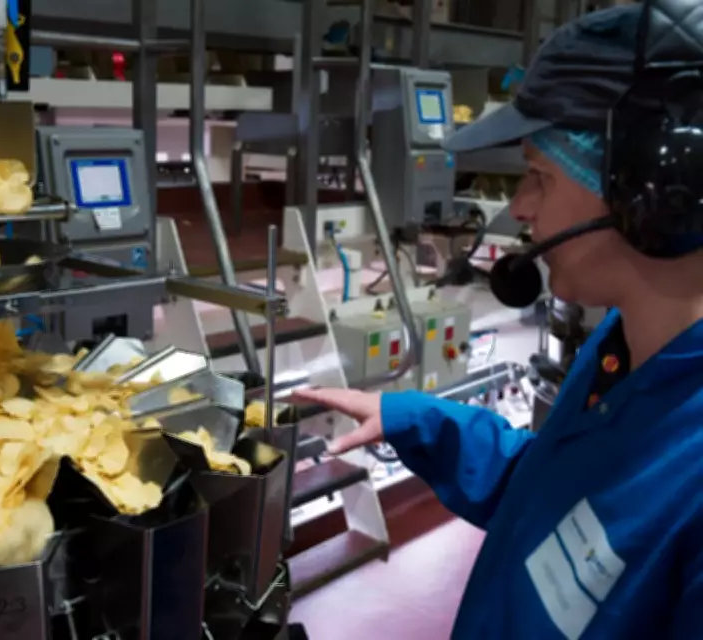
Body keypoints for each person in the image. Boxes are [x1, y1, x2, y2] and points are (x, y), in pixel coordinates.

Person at [293, 5, 703, 639]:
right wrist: (415, 420)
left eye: (539, 176)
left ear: (652, 190)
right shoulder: (621, 349)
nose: (519, 207)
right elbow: (550, 496)